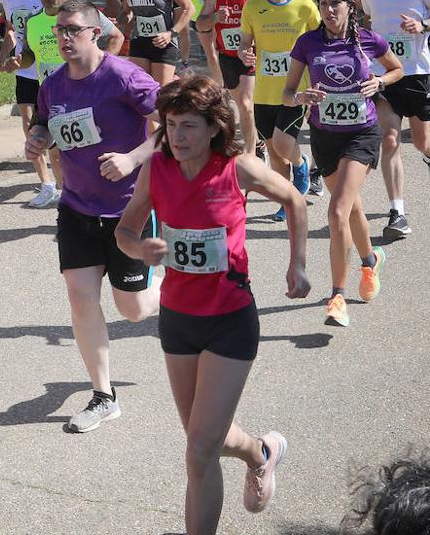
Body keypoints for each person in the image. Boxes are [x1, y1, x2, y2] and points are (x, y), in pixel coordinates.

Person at [114, 74, 311, 533]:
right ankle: (261, 452)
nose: (177, 137)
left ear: (213, 128)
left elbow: (295, 201)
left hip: (230, 320)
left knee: (199, 451)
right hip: (178, 321)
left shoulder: (237, 167)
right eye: (170, 125)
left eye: (188, 126)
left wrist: (297, 265)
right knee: (205, 441)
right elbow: (125, 231)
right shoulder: (156, 169)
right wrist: (140, 249)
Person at [25, 0, 161, 433]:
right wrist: (37, 139)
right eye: (60, 30)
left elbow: (175, 125)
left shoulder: (123, 77)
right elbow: (45, 124)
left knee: (135, 311)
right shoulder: (54, 84)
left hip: (128, 212)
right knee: (81, 298)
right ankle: (104, 396)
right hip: (77, 207)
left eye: (73, 30)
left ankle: (167, 280)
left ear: (94, 33)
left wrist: (133, 157)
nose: (64, 37)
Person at [284, 0, 400, 327]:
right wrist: (301, 98)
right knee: (352, 209)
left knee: (336, 212)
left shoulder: (369, 40)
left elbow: (397, 69)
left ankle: (337, 296)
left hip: (362, 134)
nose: (329, 10)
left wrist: (380, 82)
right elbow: (288, 92)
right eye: (323, 4)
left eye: (336, 3)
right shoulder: (308, 43)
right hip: (325, 137)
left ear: (351, 6)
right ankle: (370, 260)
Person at [13, 0, 124, 207]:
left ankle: (101, 199)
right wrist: (17, 61)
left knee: (91, 149)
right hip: (53, 97)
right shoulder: (33, 21)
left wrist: (100, 71)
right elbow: (31, 56)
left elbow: (117, 37)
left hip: (87, 94)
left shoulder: (84, 14)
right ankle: (71, 203)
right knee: (57, 153)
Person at [238, 0, 322, 219]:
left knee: (285, 144)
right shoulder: (253, 6)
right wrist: (245, 52)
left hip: (296, 88)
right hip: (264, 89)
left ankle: (301, 163)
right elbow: (244, 43)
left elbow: (320, 44)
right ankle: (288, 200)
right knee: (274, 151)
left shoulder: (305, 7)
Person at [359, 0, 430, 242]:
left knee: (422, 142)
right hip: (385, 73)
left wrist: (422, 25)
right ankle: (397, 212)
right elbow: (369, 20)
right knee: (389, 140)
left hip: (417, 72)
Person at [0, 0, 57, 203]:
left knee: (53, 127)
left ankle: (66, 181)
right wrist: (3, 56)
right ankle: (47, 184)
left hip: (50, 69)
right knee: (29, 123)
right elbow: (12, 29)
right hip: (25, 67)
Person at [196, 0, 266, 153]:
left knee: (245, 105)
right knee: (239, 105)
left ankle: (250, 154)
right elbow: (200, 25)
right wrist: (215, 18)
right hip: (227, 57)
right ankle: (258, 143)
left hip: (251, 56)